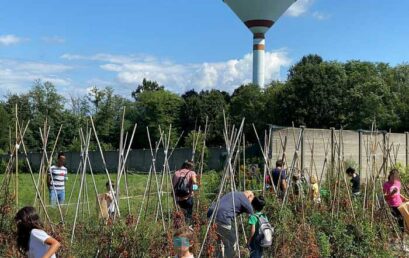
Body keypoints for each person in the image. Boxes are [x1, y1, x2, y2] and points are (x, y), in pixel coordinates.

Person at [207, 191, 254, 258]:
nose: (250, 202)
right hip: (223, 219)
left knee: (218, 241)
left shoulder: (233, 193)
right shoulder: (244, 199)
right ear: (249, 196)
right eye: (251, 200)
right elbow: (252, 212)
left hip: (212, 216)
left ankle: (218, 255)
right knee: (232, 241)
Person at [383, 169, 409, 251]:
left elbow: (398, 193)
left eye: (396, 177)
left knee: (403, 225)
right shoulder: (386, 184)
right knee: (396, 224)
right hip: (392, 206)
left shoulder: (398, 183)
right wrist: (391, 194)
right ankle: (396, 243)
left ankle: (402, 244)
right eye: (393, 177)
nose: (394, 179)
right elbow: (385, 197)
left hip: (400, 206)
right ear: (390, 176)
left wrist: (404, 198)